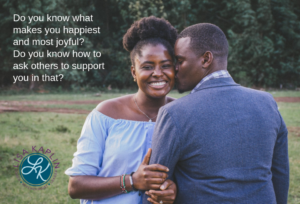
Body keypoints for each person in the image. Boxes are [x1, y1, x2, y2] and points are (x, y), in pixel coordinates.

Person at [144, 23, 289, 204]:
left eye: (180, 61)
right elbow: (280, 175)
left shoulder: (174, 113)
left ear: (206, 59)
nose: (175, 69)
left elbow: (155, 188)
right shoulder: (267, 102)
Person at [65, 16, 178, 204]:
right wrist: (132, 181)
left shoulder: (182, 115)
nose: (158, 73)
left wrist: (174, 190)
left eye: (166, 65)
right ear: (134, 71)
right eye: (147, 67)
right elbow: (76, 186)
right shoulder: (106, 114)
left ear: (175, 68)